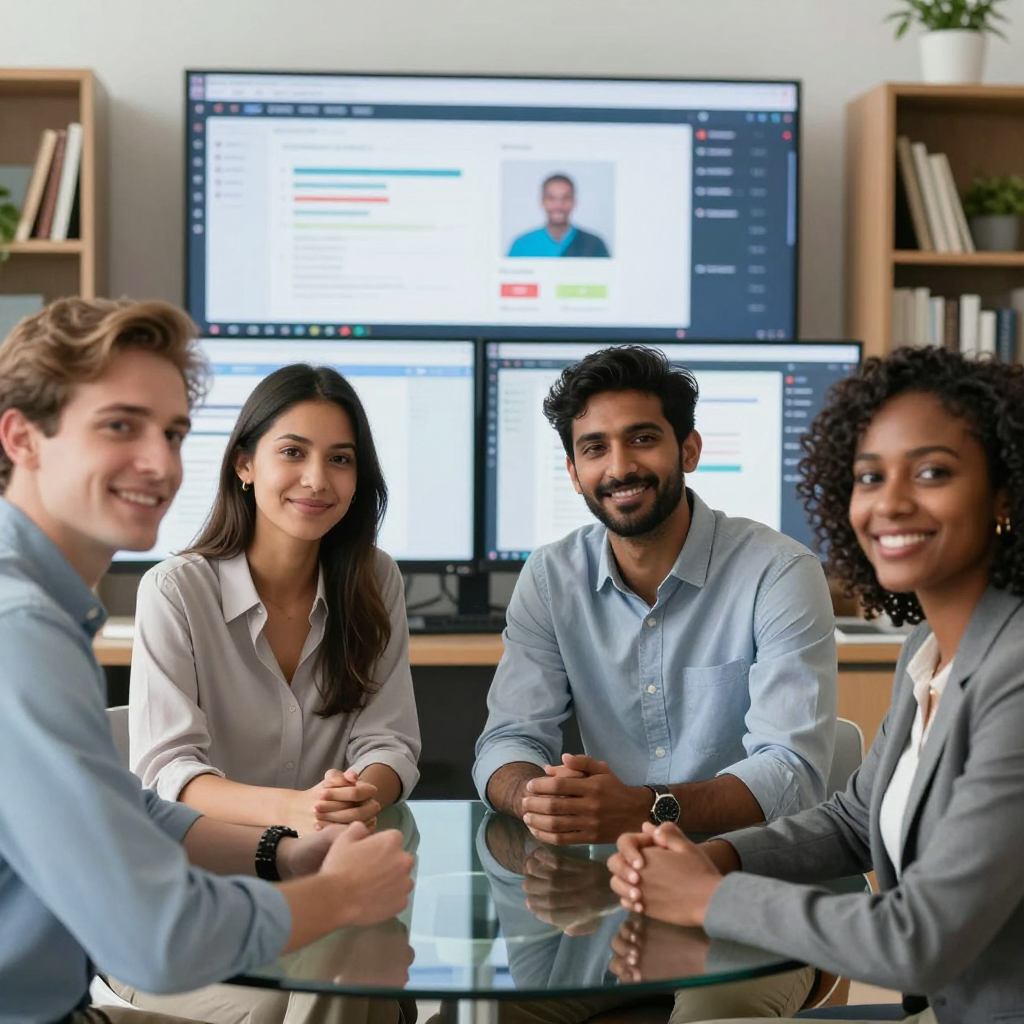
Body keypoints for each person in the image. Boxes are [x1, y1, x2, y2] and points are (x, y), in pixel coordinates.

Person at [0, 298, 414, 1024]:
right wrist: (337, 893)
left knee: (350, 987)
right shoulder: (22, 631)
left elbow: (129, 811)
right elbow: (156, 936)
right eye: (120, 426)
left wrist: (282, 854)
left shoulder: (47, 613)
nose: (161, 463)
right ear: (21, 438)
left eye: (173, 433)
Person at [609, 346, 1024, 1024]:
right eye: (870, 476)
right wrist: (713, 858)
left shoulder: (1016, 674)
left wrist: (707, 899)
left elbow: (919, 940)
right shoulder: (929, 648)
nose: (890, 502)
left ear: (1004, 492)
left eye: (932, 472)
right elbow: (855, 820)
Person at [473, 344, 837, 1020]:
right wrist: (535, 797)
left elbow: (792, 774)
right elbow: (507, 739)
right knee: (490, 1012)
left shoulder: (779, 572)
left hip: (752, 890)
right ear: (574, 473)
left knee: (712, 1016)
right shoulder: (550, 578)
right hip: (605, 895)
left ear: (688, 450)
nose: (619, 467)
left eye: (642, 439)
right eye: (595, 448)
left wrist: (641, 807)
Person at [128, 363, 420, 837]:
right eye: (292, 452)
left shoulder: (375, 577)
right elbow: (169, 771)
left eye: (339, 459)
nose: (317, 479)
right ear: (244, 464)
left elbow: (389, 742)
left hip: (337, 852)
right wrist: (294, 809)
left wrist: (356, 795)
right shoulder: (174, 590)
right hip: (212, 861)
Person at [507, 173, 611, 258]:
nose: (559, 205)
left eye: (566, 198)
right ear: (542, 201)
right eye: (551, 198)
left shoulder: (594, 245)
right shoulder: (522, 245)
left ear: (574, 202)